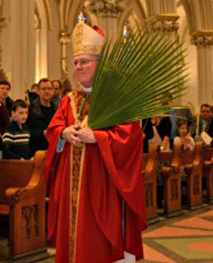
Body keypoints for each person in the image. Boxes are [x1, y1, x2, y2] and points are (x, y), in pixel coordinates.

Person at [43, 22, 146, 263]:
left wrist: (96, 137)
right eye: (76, 62)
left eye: (84, 61)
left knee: (97, 244)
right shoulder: (69, 100)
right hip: (72, 185)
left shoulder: (117, 100)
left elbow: (130, 139)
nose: (78, 67)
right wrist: (63, 134)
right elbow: (53, 130)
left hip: (103, 186)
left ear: (99, 65)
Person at [26, 78, 57, 153]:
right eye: (43, 89)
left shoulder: (57, 109)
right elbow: (27, 132)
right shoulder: (31, 109)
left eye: (49, 88)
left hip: (54, 150)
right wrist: (42, 133)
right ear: (38, 91)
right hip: (37, 151)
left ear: (53, 91)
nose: (47, 91)